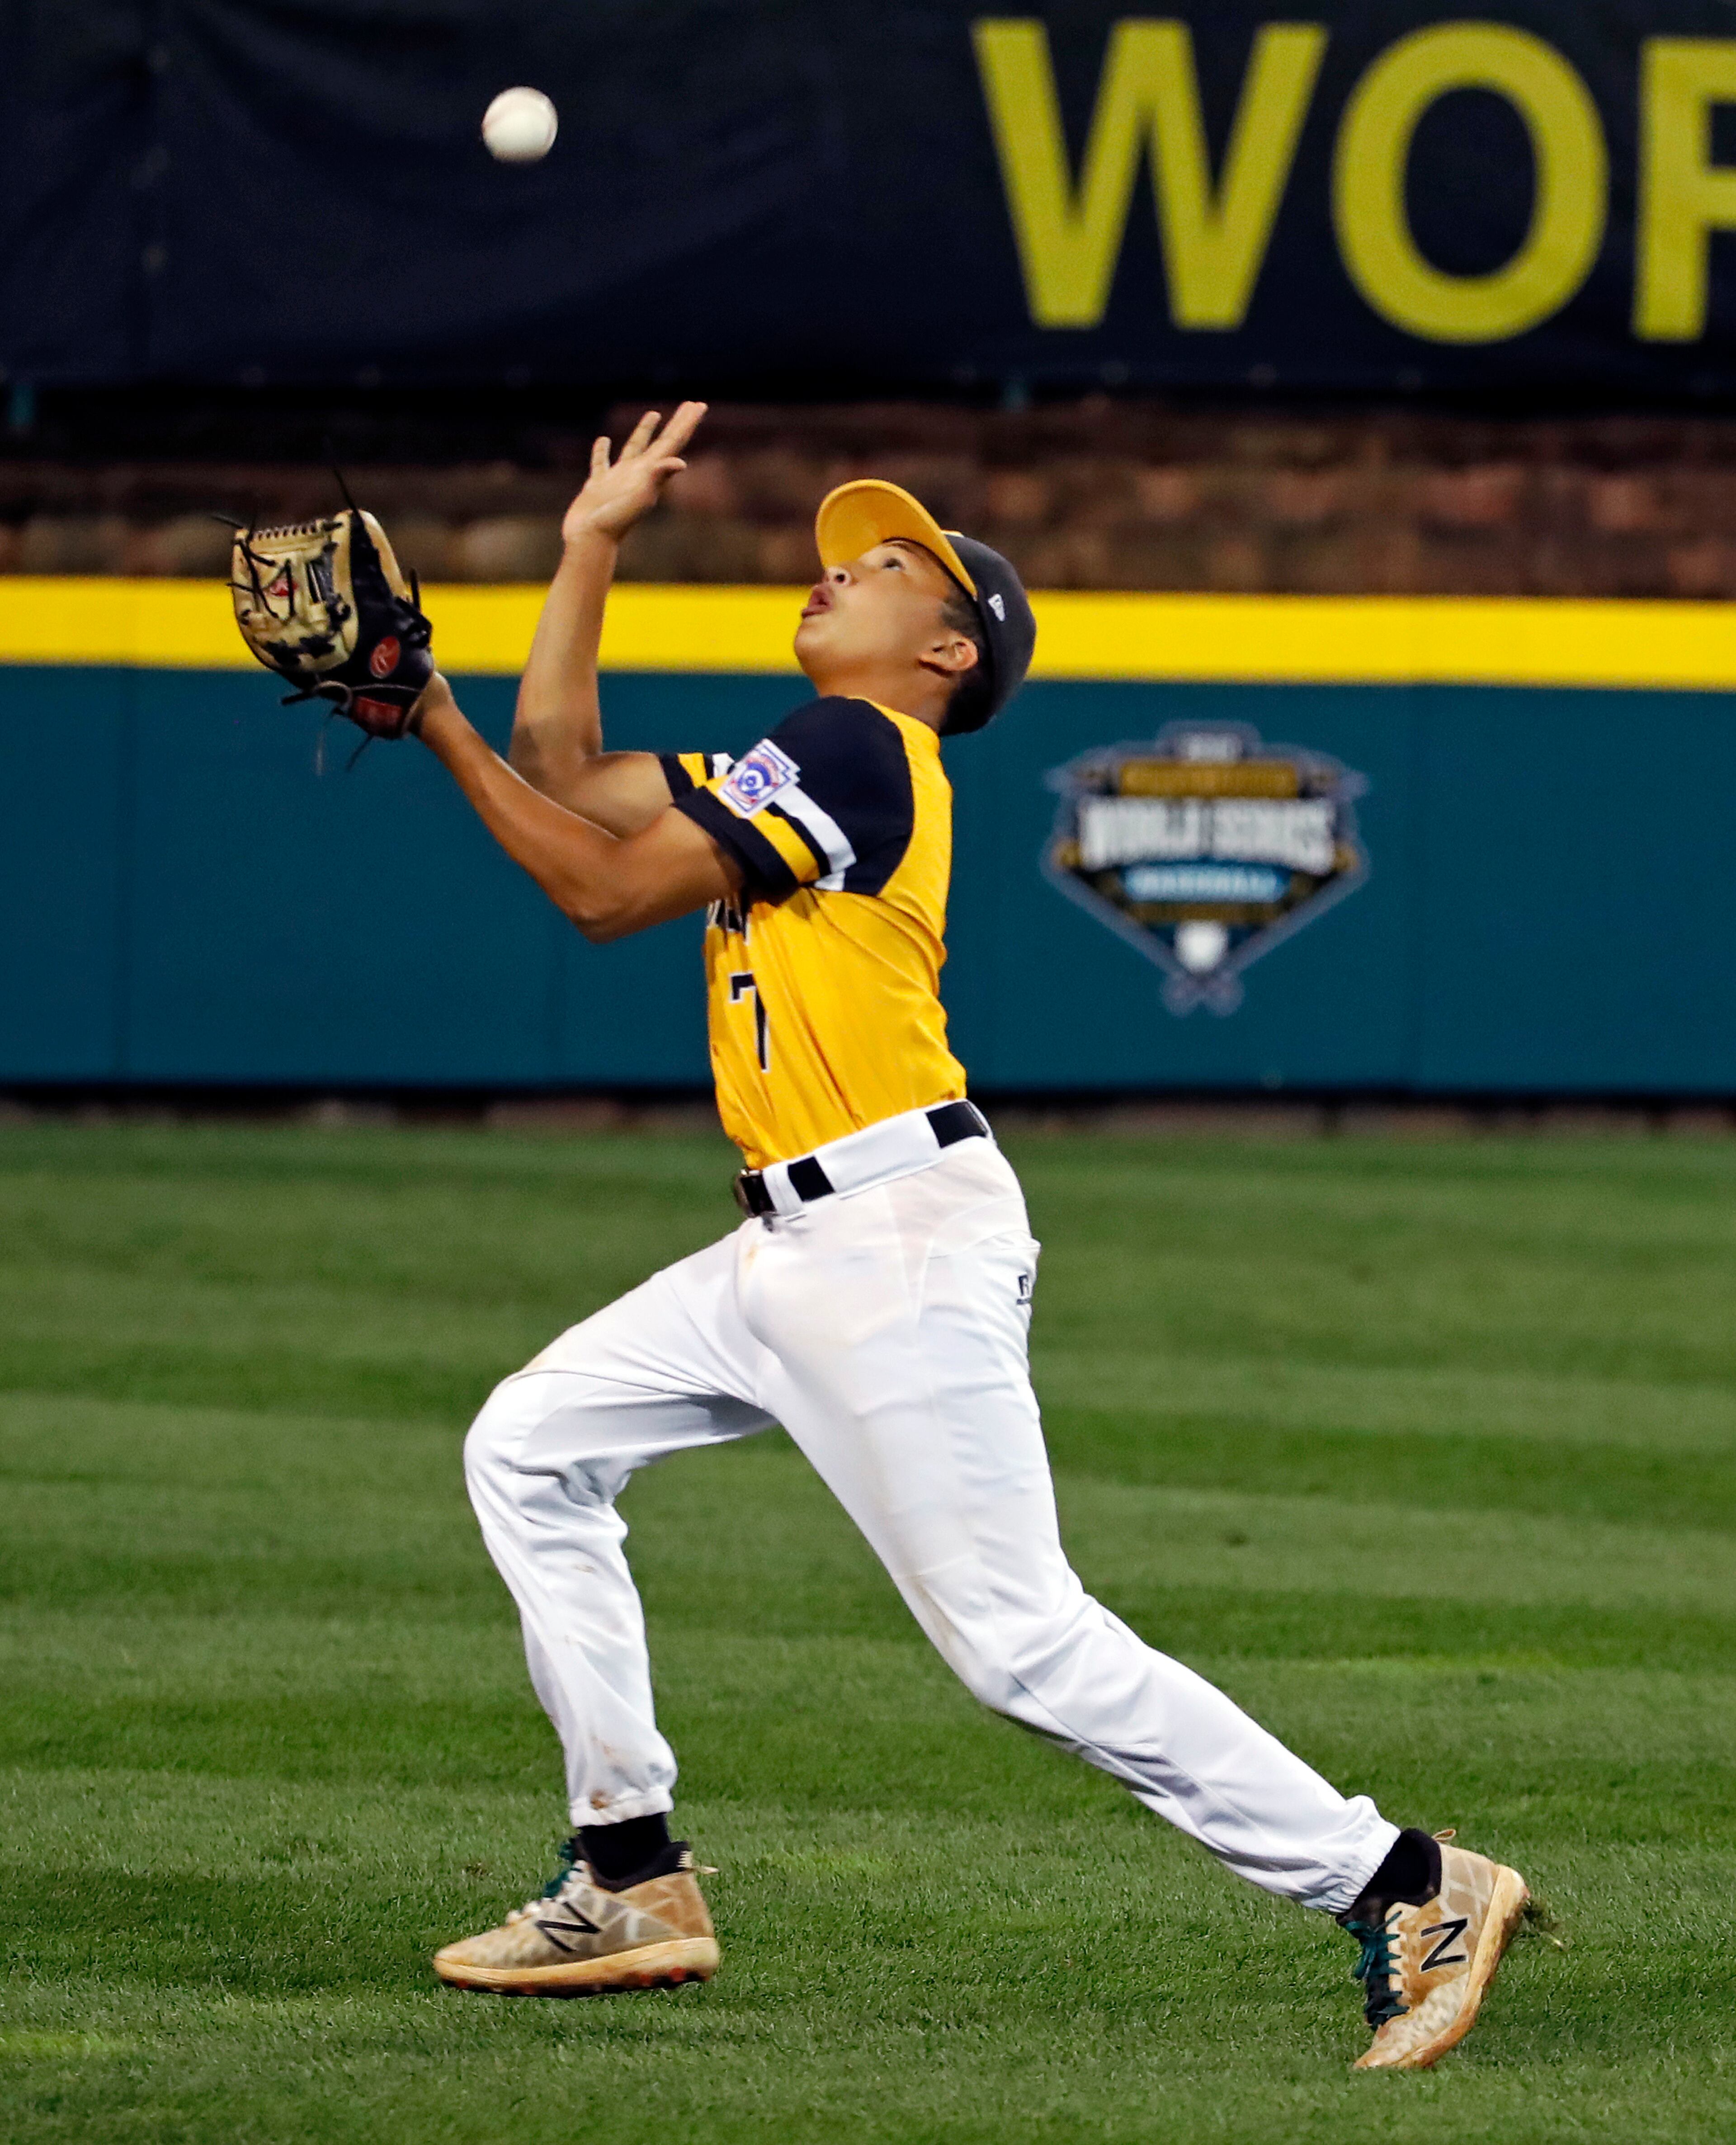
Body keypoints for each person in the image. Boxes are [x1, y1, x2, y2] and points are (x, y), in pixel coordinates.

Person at [410, 404, 1528, 2069]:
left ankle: (1409, 1880)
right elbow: (571, 770)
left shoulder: (862, 750)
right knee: (531, 1447)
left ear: (946, 645)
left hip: (892, 1238)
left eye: (881, 565)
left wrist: (423, 711)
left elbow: (596, 887)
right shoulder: (802, 758)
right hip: (782, 1253)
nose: (836, 570)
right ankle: (631, 1870)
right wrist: (589, 548)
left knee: (1021, 1641)